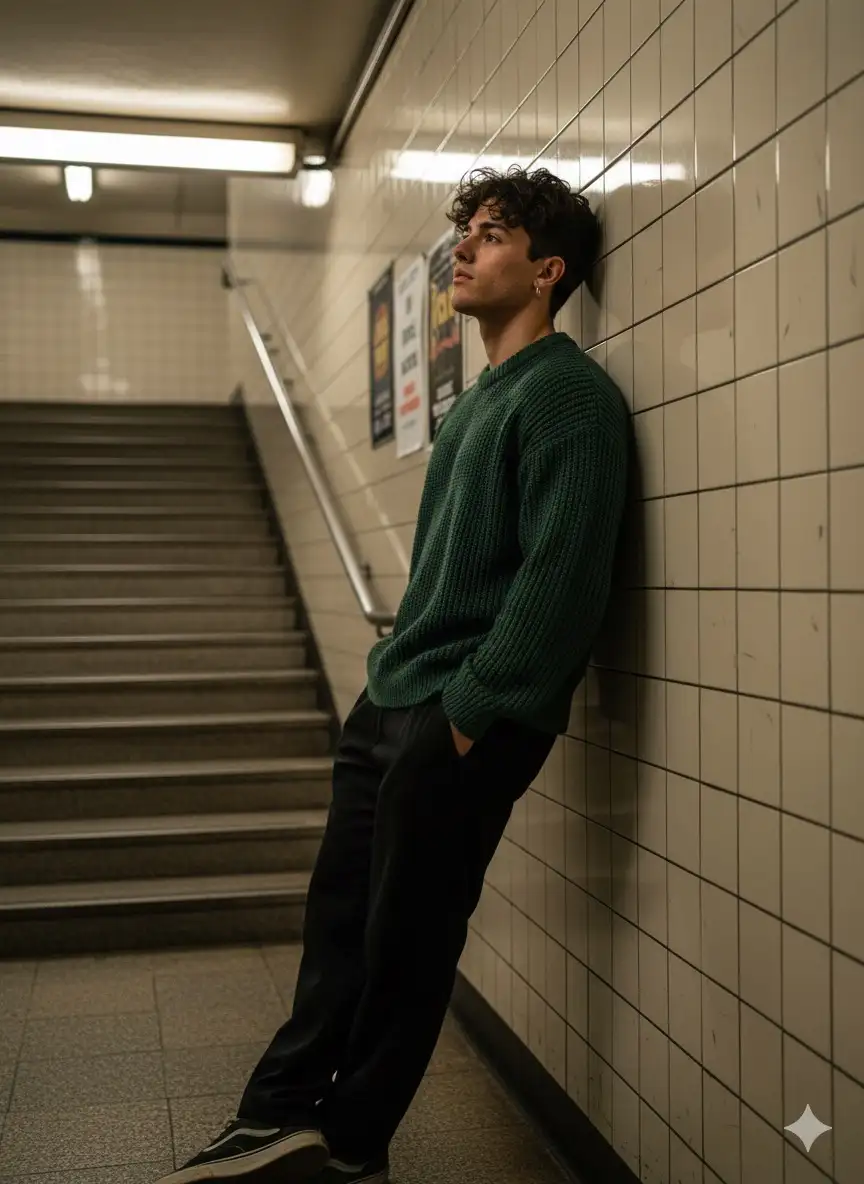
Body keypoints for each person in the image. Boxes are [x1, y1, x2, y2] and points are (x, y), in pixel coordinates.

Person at [159, 165, 630, 1184]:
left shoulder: (569, 397)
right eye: (468, 230)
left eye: (492, 234)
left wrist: (468, 710)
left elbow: (563, 579)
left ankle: (354, 1142)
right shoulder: (475, 405)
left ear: (547, 271)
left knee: (408, 939)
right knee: (340, 926)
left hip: (464, 714)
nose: (463, 247)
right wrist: (393, 691)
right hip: (399, 697)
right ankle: (277, 1113)